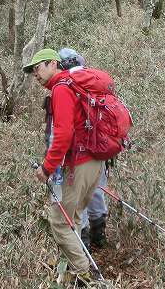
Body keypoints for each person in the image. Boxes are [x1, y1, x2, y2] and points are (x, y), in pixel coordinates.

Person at [24, 48, 104, 283]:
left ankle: (86, 276)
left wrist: (47, 168)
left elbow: (62, 136)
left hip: (79, 164)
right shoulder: (72, 84)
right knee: (75, 218)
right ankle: (73, 269)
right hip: (94, 161)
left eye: (37, 69)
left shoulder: (61, 88)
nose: (35, 75)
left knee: (59, 221)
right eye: (32, 72)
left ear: (52, 64)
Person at [57, 48, 109, 251]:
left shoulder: (66, 86)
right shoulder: (95, 80)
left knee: (78, 198)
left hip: (78, 152)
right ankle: (100, 233)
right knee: (96, 189)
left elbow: (63, 128)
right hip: (102, 147)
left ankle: (84, 240)